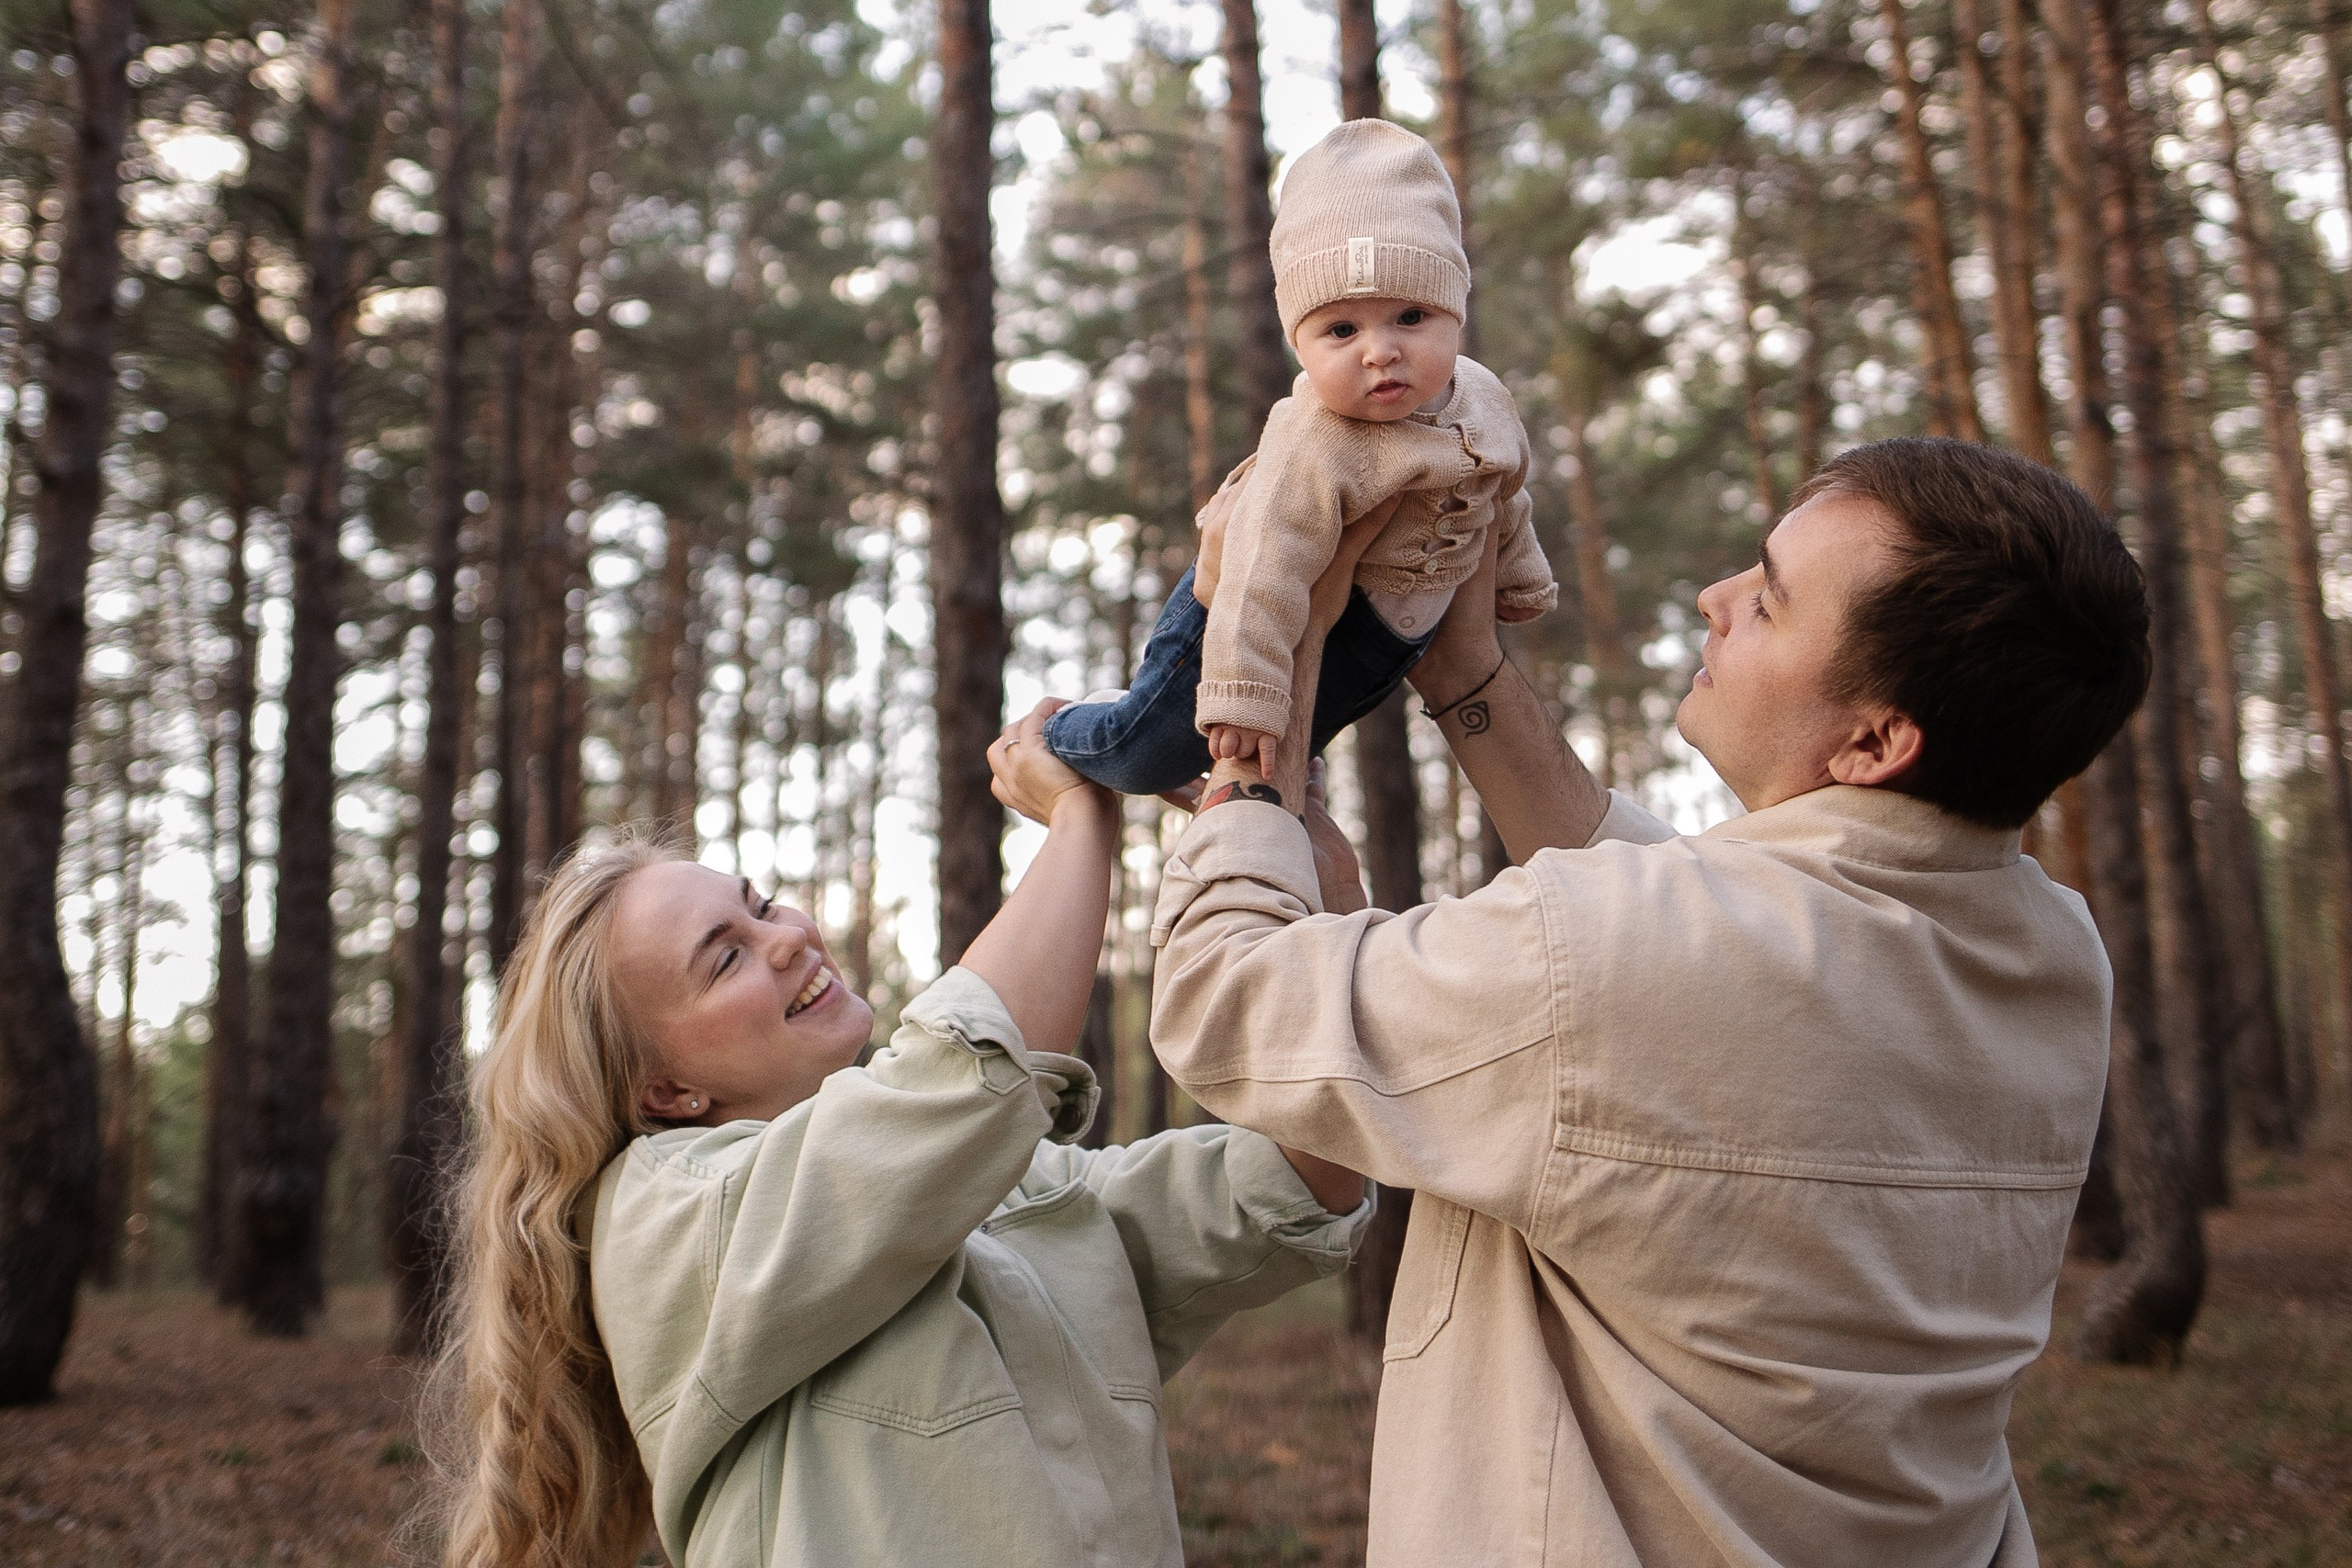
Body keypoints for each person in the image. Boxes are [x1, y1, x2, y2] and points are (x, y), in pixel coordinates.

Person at [1138, 437, 2150, 1566]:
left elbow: (1223, 1002)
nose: (1715, 599)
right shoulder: (2052, 956)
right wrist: (1466, 677)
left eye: (1767, 601)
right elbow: (1692, 935)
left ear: (1873, 739)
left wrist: (1251, 729)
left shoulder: (1640, 957)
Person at [427, 704, 1368, 1568]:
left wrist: (1297, 849)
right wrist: (1082, 816)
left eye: (758, 907)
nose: (785, 938)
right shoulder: (668, 1218)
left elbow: (1292, 1173)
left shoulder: (1000, 1190)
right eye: (725, 958)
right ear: (665, 1088)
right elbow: (963, 1080)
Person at [1044, 118, 1555, 808]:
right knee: (1144, 756)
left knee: (1300, 736)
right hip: (1242, 628)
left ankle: (1259, 751)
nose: (1380, 351)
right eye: (1342, 329)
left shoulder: (1486, 400)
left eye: (1410, 316)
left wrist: (1521, 573)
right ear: (1300, 344)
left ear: (1454, 314)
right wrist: (1245, 690)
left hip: (1377, 641)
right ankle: (1063, 730)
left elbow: (1504, 493)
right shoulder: (1317, 437)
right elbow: (1262, 567)